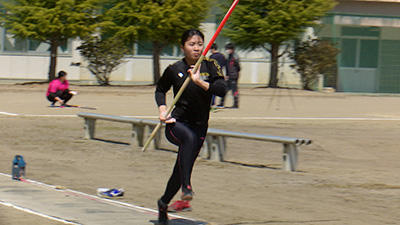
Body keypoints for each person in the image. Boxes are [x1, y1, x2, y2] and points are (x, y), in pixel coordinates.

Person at [155, 29, 227, 224]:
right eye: (191, 44)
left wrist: (200, 82)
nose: (196, 48)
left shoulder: (211, 65)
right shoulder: (174, 69)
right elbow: (160, 90)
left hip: (200, 126)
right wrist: (163, 111)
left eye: (199, 44)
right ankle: (187, 187)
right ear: (182, 47)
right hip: (176, 123)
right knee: (188, 139)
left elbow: (221, 89)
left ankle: (163, 203)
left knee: (180, 170)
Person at [218, 43, 241, 108]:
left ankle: (236, 104)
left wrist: (235, 73)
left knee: (234, 90)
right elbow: (227, 67)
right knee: (225, 89)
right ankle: (221, 103)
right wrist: (227, 74)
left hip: (234, 76)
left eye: (229, 49)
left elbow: (238, 67)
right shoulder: (228, 57)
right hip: (229, 76)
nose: (227, 50)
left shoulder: (235, 57)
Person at [209, 43, 226, 110]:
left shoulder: (212, 57)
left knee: (212, 89)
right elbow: (225, 65)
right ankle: (221, 103)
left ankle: (213, 103)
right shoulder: (222, 56)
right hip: (220, 74)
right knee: (221, 88)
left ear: (213, 49)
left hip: (213, 74)